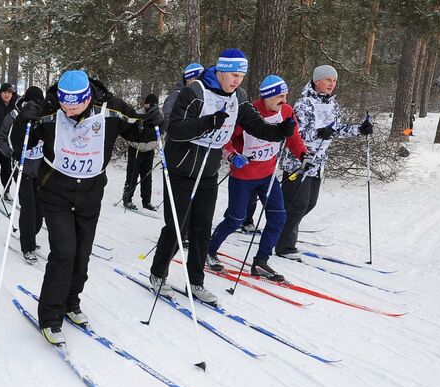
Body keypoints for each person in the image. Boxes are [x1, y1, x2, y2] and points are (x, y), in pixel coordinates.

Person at [10, 70, 158, 345]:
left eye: (75, 103)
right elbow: (17, 146)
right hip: (55, 191)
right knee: (64, 252)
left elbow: (141, 134)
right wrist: (23, 121)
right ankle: (50, 316)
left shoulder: (111, 108)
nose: (69, 108)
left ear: (88, 96)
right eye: (65, 102)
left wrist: (155, 121)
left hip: (90, 194)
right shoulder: (50, 110)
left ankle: (71, 302)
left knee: (82, 254)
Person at [148, 49, 295, 303]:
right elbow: (176, 130)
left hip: (207, 171)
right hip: (181, 169)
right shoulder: (194, 92)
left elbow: (255, 125)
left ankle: (195, 282)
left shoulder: (238, 96)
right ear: (221, 70)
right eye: (234, 75)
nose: (238, 80)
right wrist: (208, 122)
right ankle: (157, 274)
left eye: (242, 75)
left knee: (202, 227)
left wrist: (281, 131)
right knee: (177, 226)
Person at [206, 75, 307, 282]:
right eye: (280, 96)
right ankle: (209, 249)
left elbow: (293, 138)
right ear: (267, 97)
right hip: (243, 176)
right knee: (235, 219)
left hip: (268, 175)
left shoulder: (286, 112)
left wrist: (303, 155)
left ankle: (261, 261)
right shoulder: (248, 112)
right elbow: (225, 140)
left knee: (278, 217)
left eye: (286, 95)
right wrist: (233, 156)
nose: (284, 101)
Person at [275, 65, 373, 260]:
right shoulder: (304, 104)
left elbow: (336, 130)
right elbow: (294, 134)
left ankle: (281, 228)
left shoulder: (332, 105)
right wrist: (318, 133)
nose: (331, 84)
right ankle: (284, 245)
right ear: (316, 81)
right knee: (298, 205)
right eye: (328, 80)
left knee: (309, 204)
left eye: (334, 81)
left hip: (318, 163)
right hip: (299, 162)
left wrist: (360, 130)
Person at [0, 85, 46, 261]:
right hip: (22, 167)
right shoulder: (14, 115)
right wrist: (12, 152)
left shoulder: (44, 115)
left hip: (41, 169)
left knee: (40, 208)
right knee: (29, 208)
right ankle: (28, 245)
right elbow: (1, 139)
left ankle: (31, 233)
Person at [122, 93, 163, 211]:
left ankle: (146, 201)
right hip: (136, 149)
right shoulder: (138, 114)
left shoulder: (159, 116)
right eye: (148, 103)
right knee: (132, 175)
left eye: (150, 103)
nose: (148, 105)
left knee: (147, 177)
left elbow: (162, 131)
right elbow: (127, 131)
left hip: (149, 150)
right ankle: (127, 199)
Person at [162, 63, 204, 133]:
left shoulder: (201, 96)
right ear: (188, 79)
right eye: (197, 79)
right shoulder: (176, 95)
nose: (200, 82)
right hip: (179, 141)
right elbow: (167, 120)